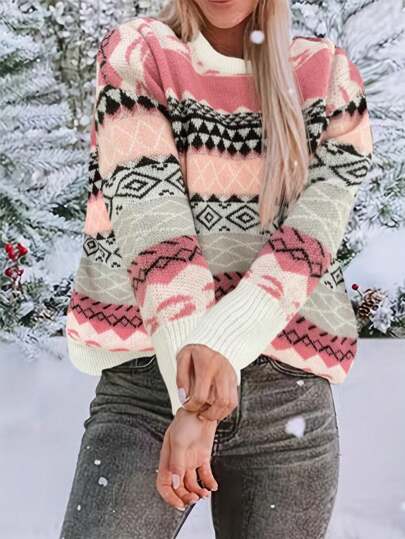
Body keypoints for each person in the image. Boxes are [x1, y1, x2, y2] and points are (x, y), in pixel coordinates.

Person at [60, 0, 374, 537]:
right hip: (146, 392)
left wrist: (213, 367)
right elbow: (151, 222)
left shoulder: (327, 77)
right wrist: (196, 396)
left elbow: (310, 243)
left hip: (287, 400)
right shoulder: (139, 53)